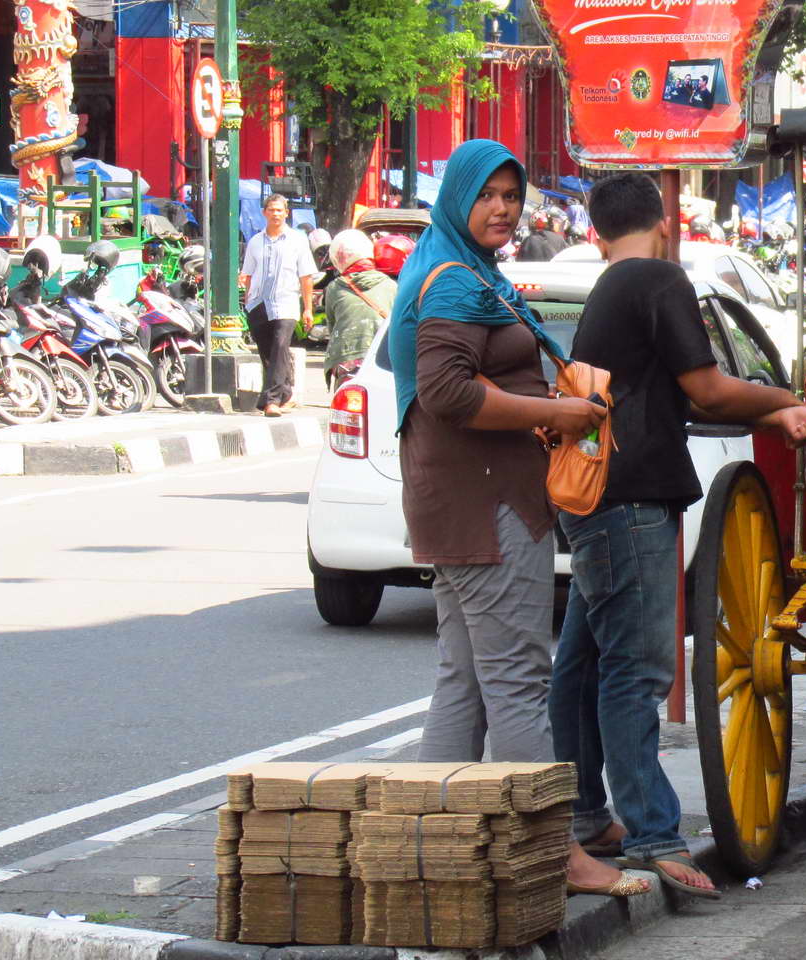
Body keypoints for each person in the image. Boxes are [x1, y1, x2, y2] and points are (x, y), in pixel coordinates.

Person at [548, 172, 806, 900]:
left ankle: (583, 816)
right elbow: (707, 389)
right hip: (632, 496)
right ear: (665, 221)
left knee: (582, 666)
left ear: (595, 230)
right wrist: (785, 404)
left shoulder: (612, 284)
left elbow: (678, 396)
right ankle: (650, 833)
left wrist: (768, 412)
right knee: (635, 671)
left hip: (596, 495)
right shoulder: (657, 280)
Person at [386, 138, 647, 900]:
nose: (501, 209)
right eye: (486, 195)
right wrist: (557, 413)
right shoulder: (451, 282)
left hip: (469, 499)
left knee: (465, 679)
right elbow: (448, 394)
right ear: (457, 198)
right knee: (516, 681)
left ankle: (432, 850)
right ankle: (555, 855)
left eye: (511, 194)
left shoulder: (464, 270)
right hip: (486, 502)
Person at [238, 192, 318, 416]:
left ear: (286, 213)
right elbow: (248, 274)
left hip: (286, 302)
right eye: (271, 210)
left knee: (280, 344)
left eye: (279, 210)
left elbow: (306, 276)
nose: (275, 214)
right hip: (258, 303)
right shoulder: (255, 241)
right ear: (264, 213)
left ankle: (271, 400)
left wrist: (308, 309)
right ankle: (286, 393)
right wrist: (247, 300)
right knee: (267, 353)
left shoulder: (297, 240)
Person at [321, 229, 394, 388]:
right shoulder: (391, 285)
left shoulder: (334, 288)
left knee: (345, 408)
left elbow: (332, 327)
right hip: (383, 360)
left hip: (347, 360)